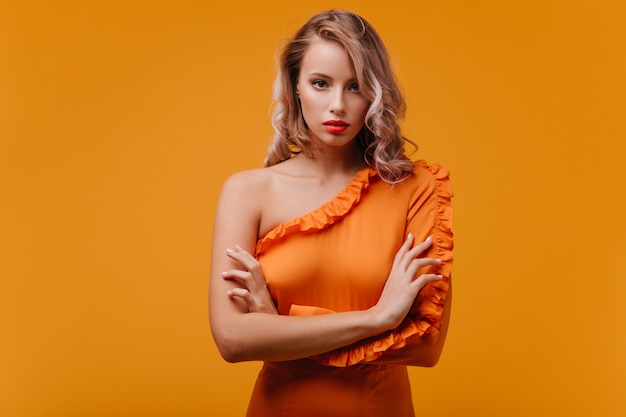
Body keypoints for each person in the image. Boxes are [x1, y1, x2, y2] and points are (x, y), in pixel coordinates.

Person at [209, 9, 453, 417]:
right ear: (296, 87)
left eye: (355, 87)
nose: (338, 105)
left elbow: (426, 346)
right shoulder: (248, 192)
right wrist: (380, 318)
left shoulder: (416, 188)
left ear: (375, 94)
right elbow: (233, 341)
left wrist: (278, 329)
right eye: (320, 83)